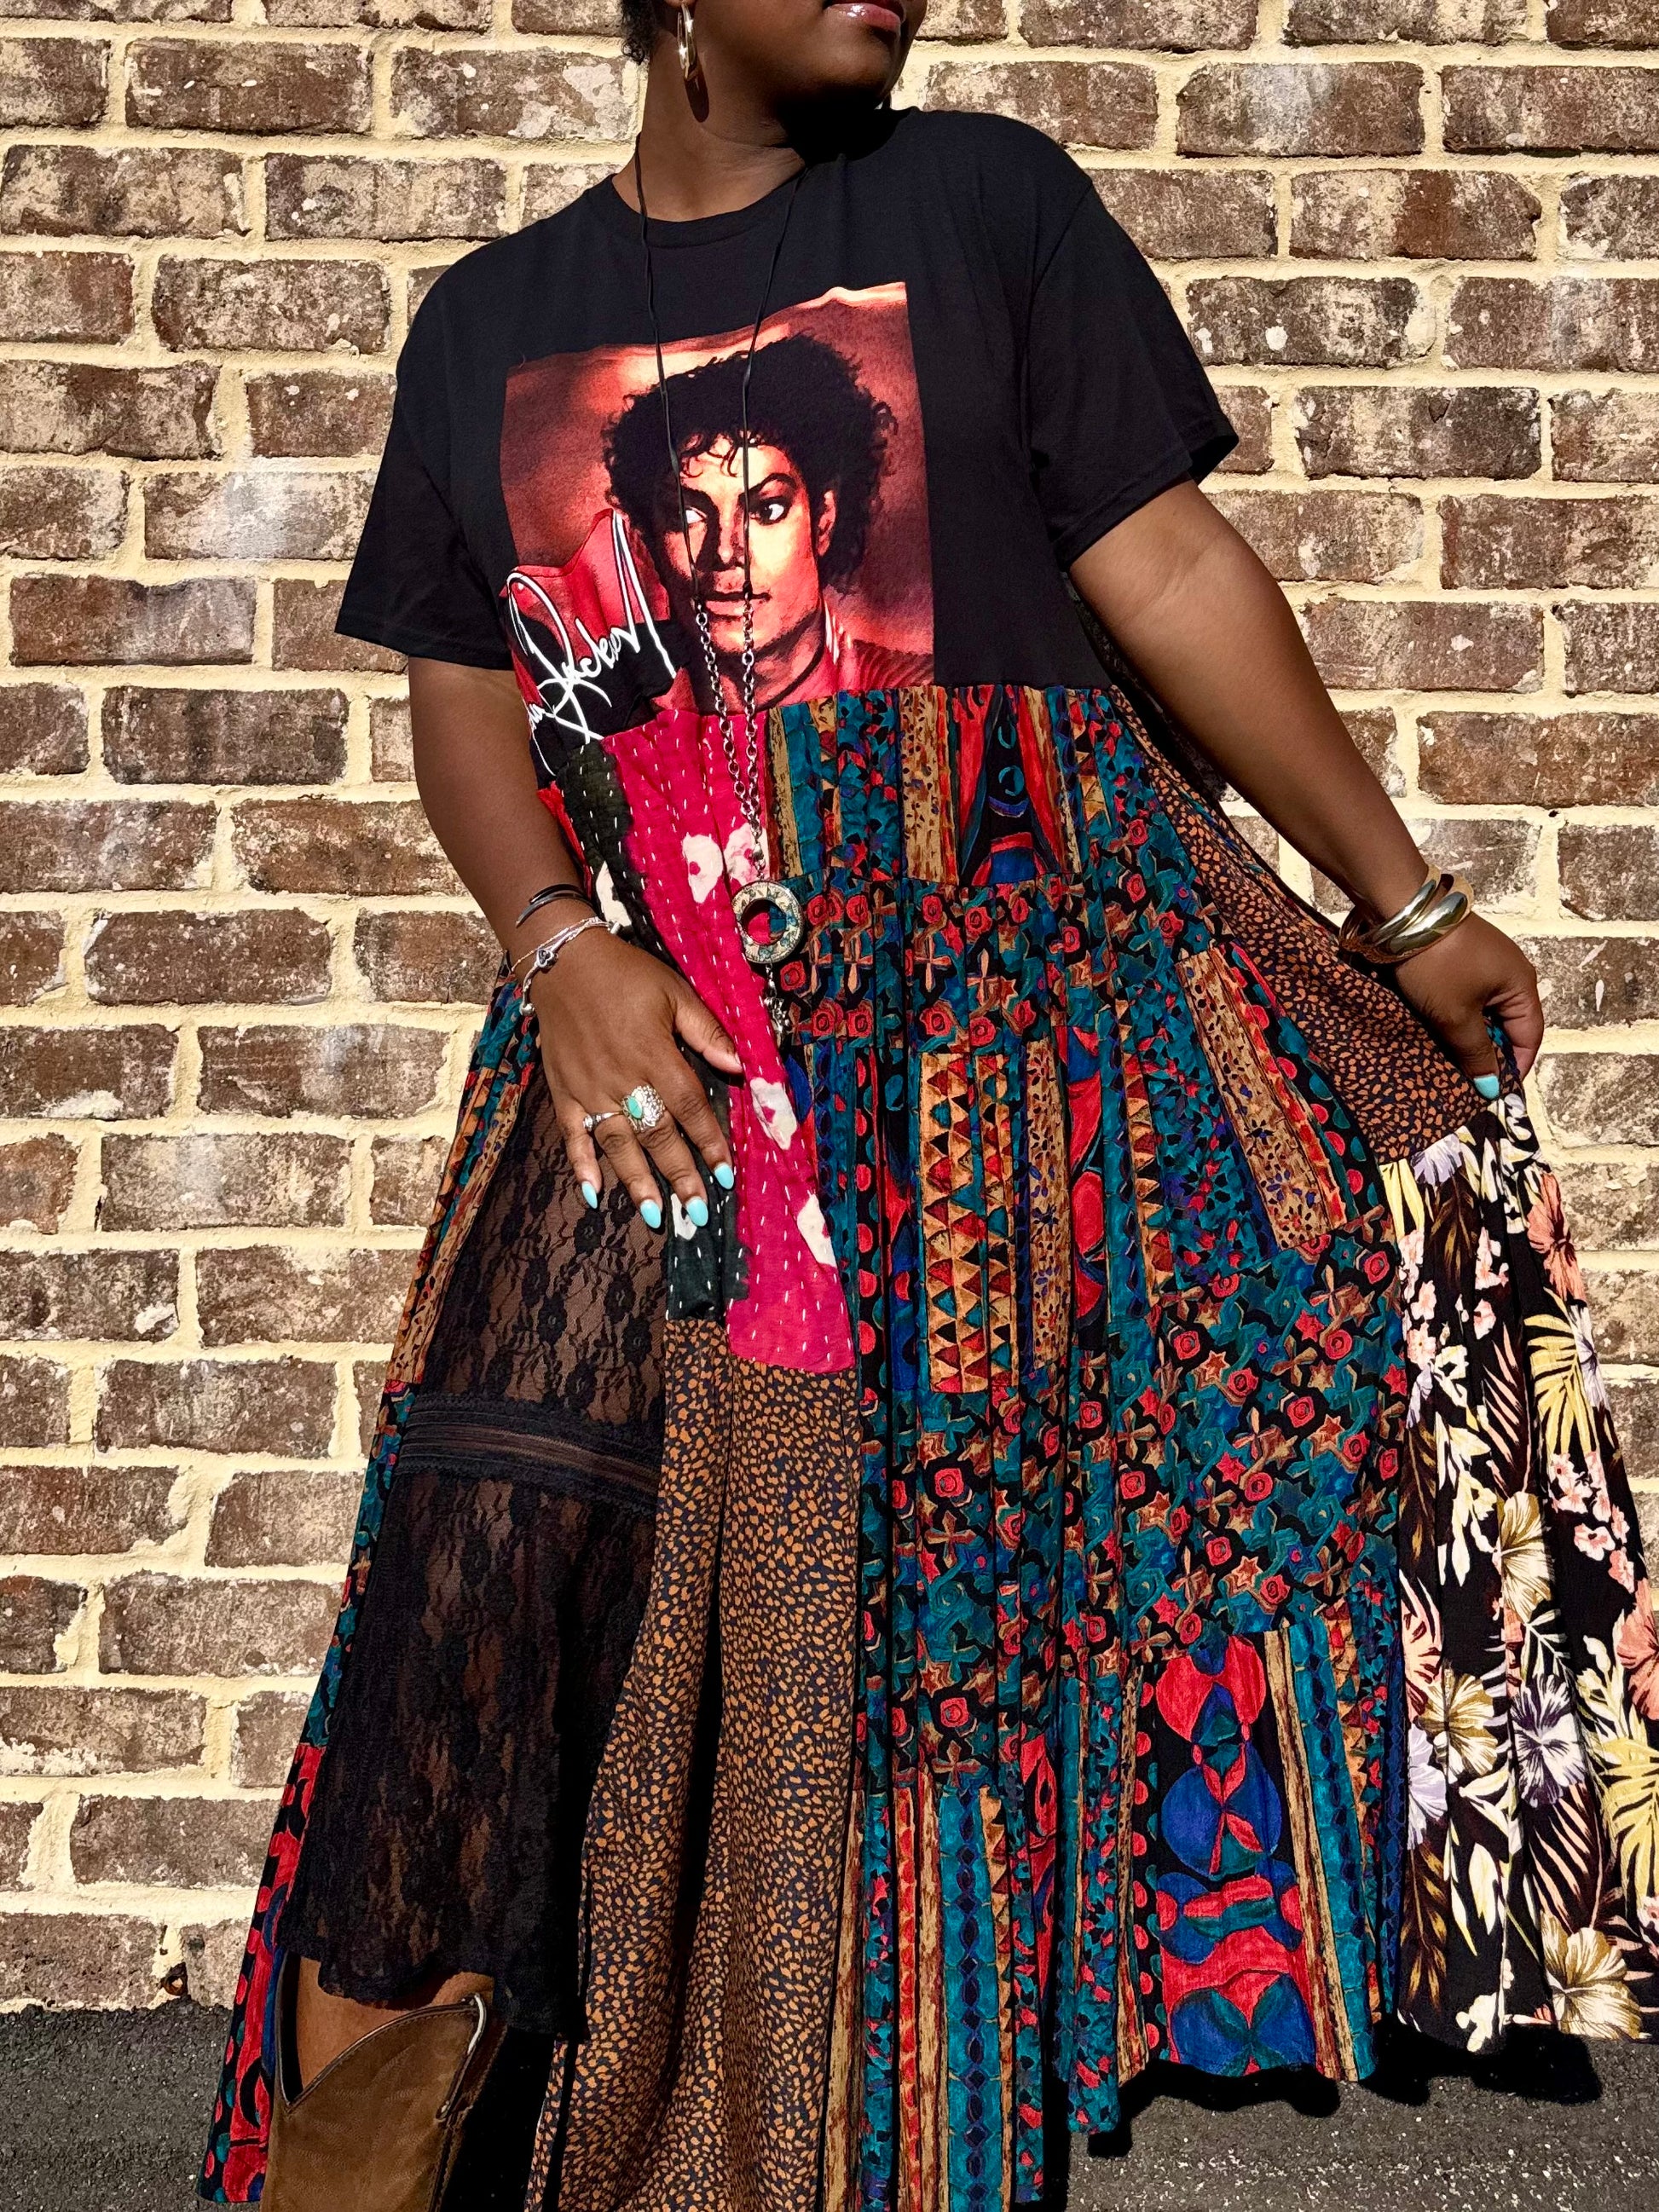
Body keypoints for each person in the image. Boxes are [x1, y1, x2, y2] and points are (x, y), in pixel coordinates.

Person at [200, 3, 1659, 2208]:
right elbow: (465, 691)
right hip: (657, 1026)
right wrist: (557, 947)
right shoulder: (491, 320)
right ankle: (368, 2132)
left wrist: (1405, 893)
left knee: (929, 1601)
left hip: (1000, 1035)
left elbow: (1164, 565)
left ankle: (840, 2083)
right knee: (483, 1527)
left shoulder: (984, 206)